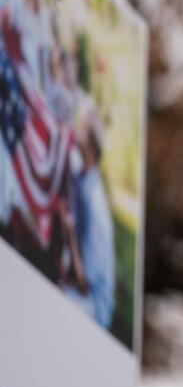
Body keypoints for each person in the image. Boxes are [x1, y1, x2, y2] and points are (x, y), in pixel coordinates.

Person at [60, 100, 115, 330]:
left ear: (91, 148)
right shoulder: (81, 171)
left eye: (82, 128)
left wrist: (70, 234)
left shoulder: (95, 206)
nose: (77, 129)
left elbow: (85, 282)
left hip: (94, 305)